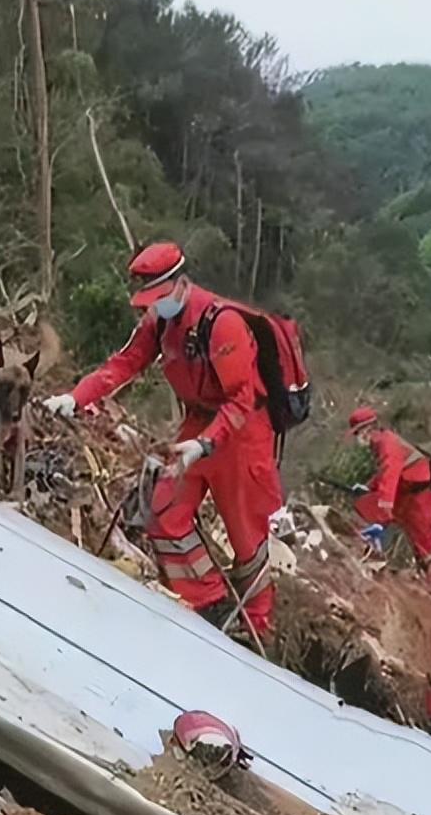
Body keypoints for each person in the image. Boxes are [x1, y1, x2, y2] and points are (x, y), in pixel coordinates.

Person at [43, 242, 282, 636]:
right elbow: (123, 364)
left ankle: (257, 627)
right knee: (165, 511)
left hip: (241, 431)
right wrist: (76, 397)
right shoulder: (159, 322)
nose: (154, 306)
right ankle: (210, 604)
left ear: (181, 284)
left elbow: (241, 398)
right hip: (198, 421)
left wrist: (207, 444)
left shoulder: (222, 323)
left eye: (159, 297)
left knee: (246, 534)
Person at [347, 407, 431, 585]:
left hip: (420, 499)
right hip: (409, 497)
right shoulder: (384, 442)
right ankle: (430, 588)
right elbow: (386, 474)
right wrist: (368, 488)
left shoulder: (387, 443)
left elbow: (390, 474)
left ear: (367, 430)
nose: (357, 438)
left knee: (428, 550)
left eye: (357, 433)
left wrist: (384, 505)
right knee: (422, 548)